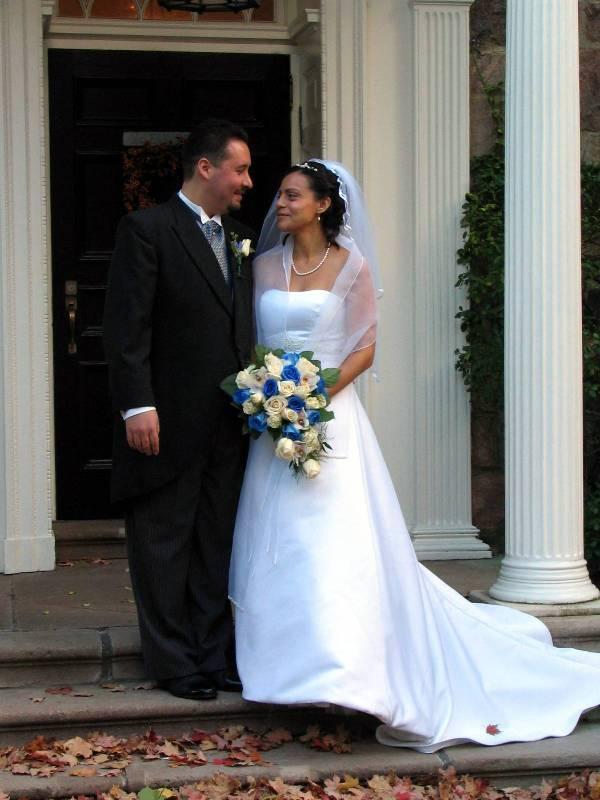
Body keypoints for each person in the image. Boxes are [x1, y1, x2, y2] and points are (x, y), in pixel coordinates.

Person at [229, 159, 600, 752]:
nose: (280, 203)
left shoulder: (351, 266)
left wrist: (311, 398)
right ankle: (281, 666)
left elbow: (365, 348)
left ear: (323, 204)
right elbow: (251, 341)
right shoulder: (262, 265)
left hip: (330, 418)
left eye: (292, 195)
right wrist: (268, 396)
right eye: (279, 194)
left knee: (330, 542)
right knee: (275, 538)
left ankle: (342, 672)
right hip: (271, 425)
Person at [103, 119, 255, 701]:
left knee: (215, 543)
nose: (248, 181)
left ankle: (214, 655)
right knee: (163, 544)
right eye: (240, 169)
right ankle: (173, 661)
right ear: (206, 167)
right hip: (163, 421)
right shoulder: (146, 230)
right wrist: (137, 405)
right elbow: (127, 327)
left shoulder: (241, 238)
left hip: (228, 422)